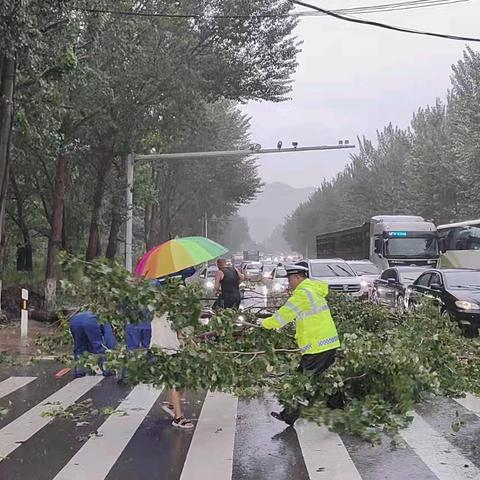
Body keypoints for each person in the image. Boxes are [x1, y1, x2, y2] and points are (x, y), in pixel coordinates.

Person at [261, 261, 340, 426]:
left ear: (297, 277)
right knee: (324, 378)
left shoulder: (303, 293)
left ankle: (289, 415)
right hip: (328, 342)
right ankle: (339, 408)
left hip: (317, 345)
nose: (289, 283)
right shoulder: (313, 290)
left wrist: (265, 324)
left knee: (302, 382)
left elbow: (283, 315)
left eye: (290, 279)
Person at [152, 269, 195, 429]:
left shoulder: (169, 306)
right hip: (166, 347)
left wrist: (185, 339)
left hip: (173, 346)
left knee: (180, 380)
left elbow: (180, 327)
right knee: (177, 381)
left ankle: (171, 404)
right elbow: (175, 327)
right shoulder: (162, 307)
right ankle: (178, 417)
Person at [69, 310, 117, 378]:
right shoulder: (106, 319)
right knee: (99, 346)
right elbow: (109, 338)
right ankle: (107, 369)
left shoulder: (94, 313)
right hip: (90, 321)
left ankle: (79, 371)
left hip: (74, 321)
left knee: (79, 347)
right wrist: (112, 351)